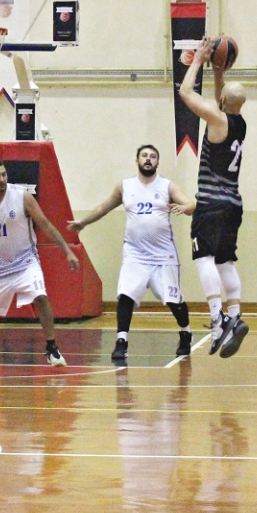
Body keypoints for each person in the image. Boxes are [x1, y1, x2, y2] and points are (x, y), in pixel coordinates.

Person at [68, 144, 195, 362]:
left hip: (163, 254)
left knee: (172, 299)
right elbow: (103, 207)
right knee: (125, 295)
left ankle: (185, 333)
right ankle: (121, 341)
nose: (148, 159)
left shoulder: (167, 186)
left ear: (157, 162)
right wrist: (83, 222)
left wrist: (186, 208)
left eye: (153, 156)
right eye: (144, 155)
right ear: (137, 161)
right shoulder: (125, 186)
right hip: (135, 253)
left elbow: (191, 204)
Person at [0, 160, 80, 368]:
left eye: (4, 174)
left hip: (24, 262)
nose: (2, 179)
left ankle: (52, 349)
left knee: (41, 297)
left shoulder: (22, 196)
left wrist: (67, 251)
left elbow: (45, 224)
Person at [177, 36, 250, 358]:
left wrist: (198, 60)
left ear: (222, 100)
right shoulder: (239, 123)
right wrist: (218, 70)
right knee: (225, 261)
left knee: (204, 258)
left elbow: (185, 93)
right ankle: (235, 316)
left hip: (211, 203)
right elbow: (222, 100)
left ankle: (217, 319)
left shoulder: (218, 120)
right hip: (234, 204)